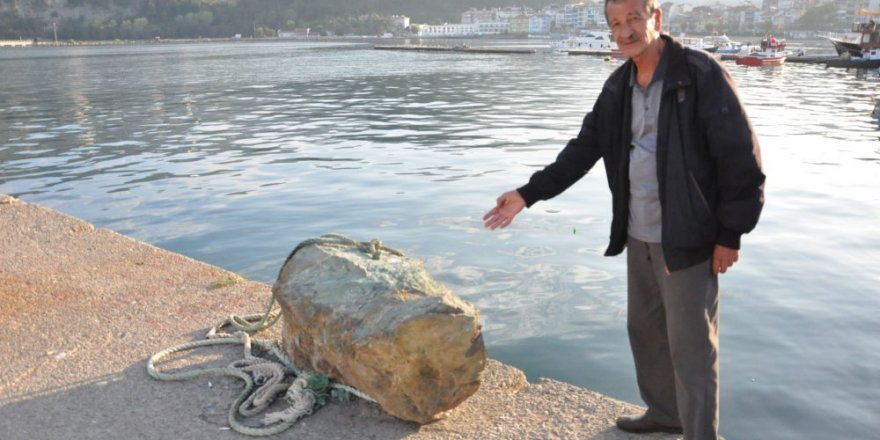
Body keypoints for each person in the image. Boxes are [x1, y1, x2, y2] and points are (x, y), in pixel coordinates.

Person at [482, 0, 765, 439]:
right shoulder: (618, 85)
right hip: (638, 233)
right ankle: (665, 413)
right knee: (645, 332)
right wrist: (527, 193)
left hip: (689, 238)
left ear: (656, 18)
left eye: (634, 17)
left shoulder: (698, 73)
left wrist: (731, 234)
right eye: (616, 23)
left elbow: (740, 156)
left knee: (691, 347)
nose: (625, 30)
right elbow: (582, 150)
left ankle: (700, 435)